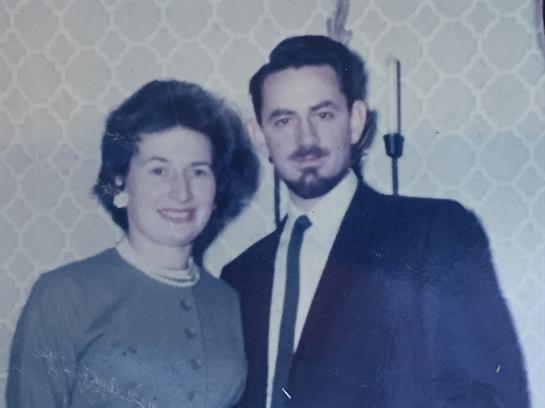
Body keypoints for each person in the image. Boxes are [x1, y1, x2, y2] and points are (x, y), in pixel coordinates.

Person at [222, 35, 529, 408]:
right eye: (284, 120)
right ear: (260, 136)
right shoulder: (239, 278)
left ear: (354, 121)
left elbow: (488, 394)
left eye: (323, 114)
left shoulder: (432, 233)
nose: (306, 137)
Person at [7, 79, 259, 408]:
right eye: (158, 171)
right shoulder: (64, 294)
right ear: (120, 183)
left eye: (198, 172)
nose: (182, 192)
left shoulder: (228, 301)